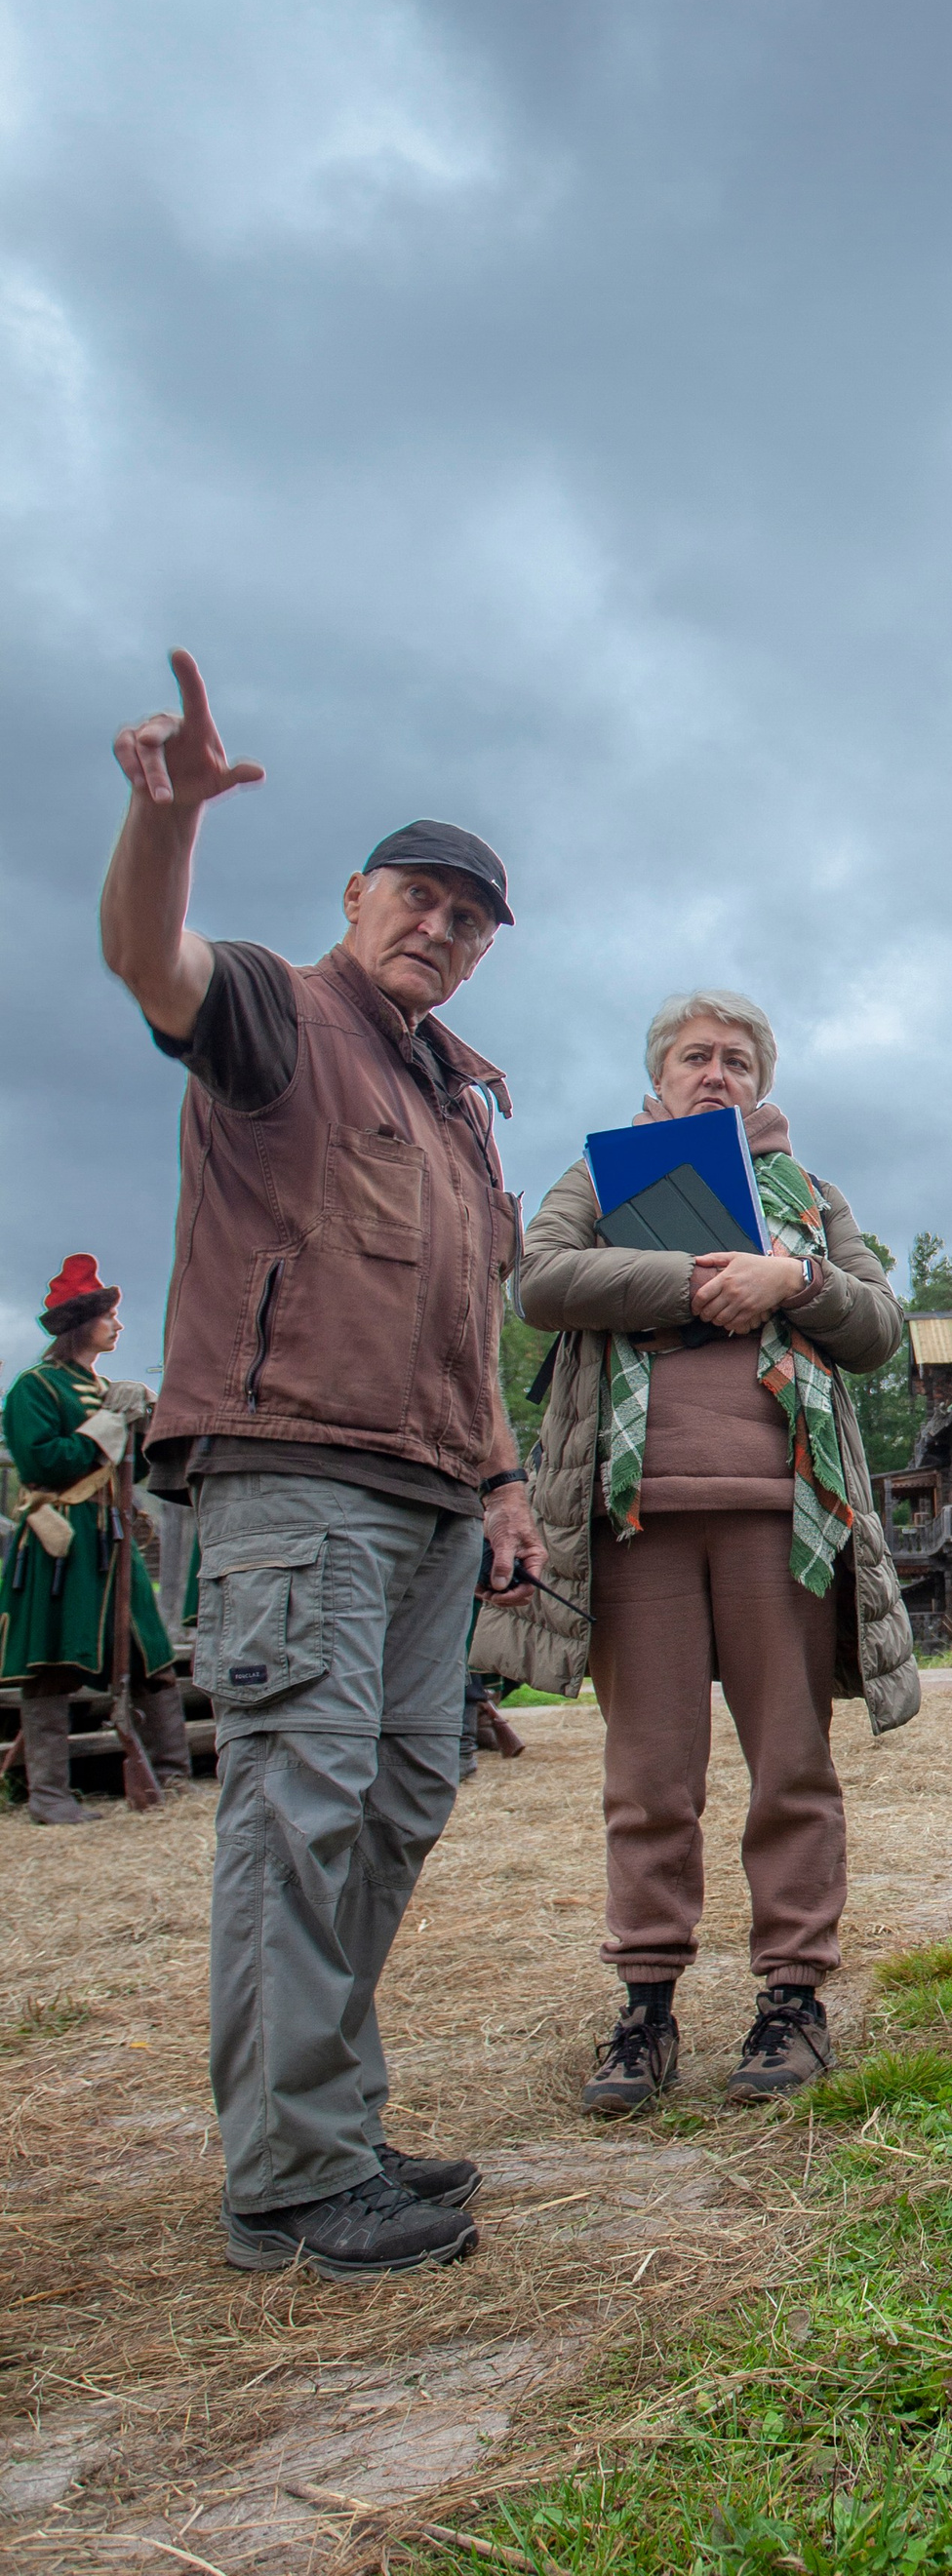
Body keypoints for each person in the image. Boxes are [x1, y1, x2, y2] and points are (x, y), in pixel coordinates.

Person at [99, 649, 548, 2282]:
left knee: (405, 1796)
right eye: (416, 896)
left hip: (435, 1488)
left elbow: (464, 1316)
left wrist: (501, 1484)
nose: (438, 924)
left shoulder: (449, 1096)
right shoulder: (282, 1019)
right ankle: (290, 2179)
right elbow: (148, 960)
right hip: (293, 1472)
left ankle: (333, 2120)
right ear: (359, 898)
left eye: (469, 914)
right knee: (304, 1806)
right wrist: (166, 824)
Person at [489, 990, 915, 2116]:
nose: (714, 1073)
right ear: (661, 1075)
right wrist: (695, 1276)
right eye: (694, 1057)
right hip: (636, 1518)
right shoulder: (603, 1174)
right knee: (649, 1778)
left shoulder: (815, 1196)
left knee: (791, 1765)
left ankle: (791, 1998)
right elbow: (538, 1279)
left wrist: (796, 1280)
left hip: (787, 1514)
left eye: (735, 1059)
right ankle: (646, 2005)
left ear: (760, 1082)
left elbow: (879, 1325)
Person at [4, 1260, 191, 1823]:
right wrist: (110, 1426)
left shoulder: (107, 1388)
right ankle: (50, 1796)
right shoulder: (35, 1388)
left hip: (111, 1534)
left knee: (149, 1654)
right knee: (52, 1663)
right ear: (79, 1324)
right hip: (61, 1539)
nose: (118, 1325)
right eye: (108, 1316)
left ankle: (173, 1775)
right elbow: (43, 1461)